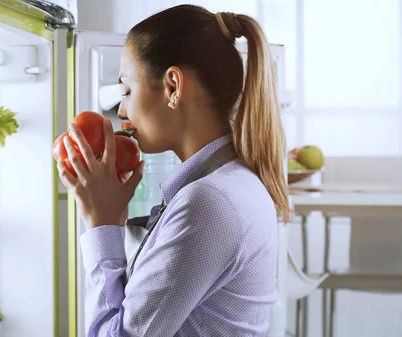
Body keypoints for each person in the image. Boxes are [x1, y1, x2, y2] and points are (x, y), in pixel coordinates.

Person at [56, 4, 289, 337]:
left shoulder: (209, 202)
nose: (121, 109)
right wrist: (113, 214)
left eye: (126, 89)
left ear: (173, 86)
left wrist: (101, 224)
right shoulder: (229, 183)